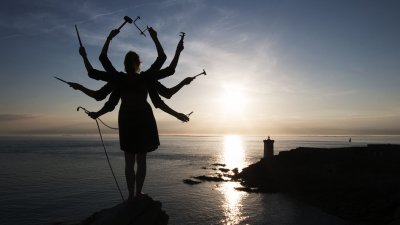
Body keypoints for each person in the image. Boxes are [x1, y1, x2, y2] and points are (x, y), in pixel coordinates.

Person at [79, 27, 190, 202]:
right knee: (141, 159)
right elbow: (165, 70)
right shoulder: (146, 78)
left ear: (124, 64)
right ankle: (138, 193)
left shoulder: (119, 79)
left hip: (126, 119)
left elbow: (105, 95)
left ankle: (131, 196)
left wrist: (105, 41)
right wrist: (156, 38)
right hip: (144, 119)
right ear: (139, 63)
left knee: (129, 160)